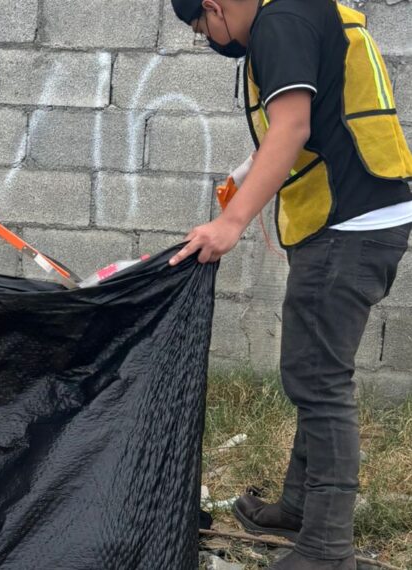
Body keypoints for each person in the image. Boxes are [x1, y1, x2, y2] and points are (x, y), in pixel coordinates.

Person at [168, 0, 412, 568]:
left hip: (347, 224)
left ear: (213, 7)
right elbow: (318, 121)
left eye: (204, 28)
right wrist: (247, 174)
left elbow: (293, 125)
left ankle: (326, 549)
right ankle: (301, 507)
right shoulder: (304, 10)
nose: (211, 39)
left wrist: (230, 223)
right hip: (361, 216)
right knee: (312, 369)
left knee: (319, 380)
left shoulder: (280, 22)